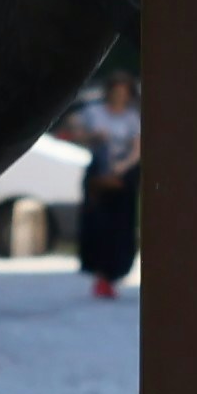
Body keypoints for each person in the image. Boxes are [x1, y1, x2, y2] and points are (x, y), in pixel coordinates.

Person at [62, 69, 144, 302]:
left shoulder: (131, 117)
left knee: (119, 228)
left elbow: (137, 148)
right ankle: (99, 274)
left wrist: (123, 166)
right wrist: (90, 136)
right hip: (98, 174)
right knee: (97, 225)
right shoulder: (95, 112)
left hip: (122, 177)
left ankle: (113, 274)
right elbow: (72, 126)